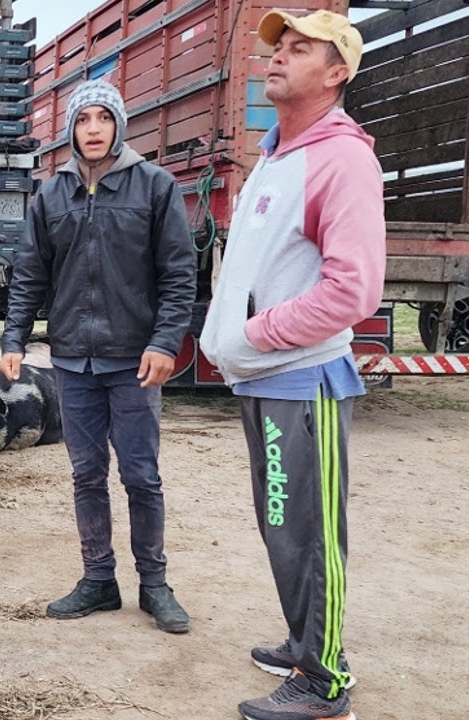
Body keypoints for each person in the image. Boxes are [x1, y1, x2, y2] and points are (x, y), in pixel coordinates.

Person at [199, 10, 382, 720]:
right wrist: (239, 342)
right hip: (265, 375)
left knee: (307, 534)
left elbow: (353, 289)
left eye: (300, 49)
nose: (277, 56)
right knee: (284, 526)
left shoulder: (343, 159)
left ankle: (323, 680)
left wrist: (254, 333)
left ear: (336, 73)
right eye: (278, 46)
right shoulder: (277, 156)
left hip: (300, 381)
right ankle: (307, 641)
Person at [0, 80, 196, 634]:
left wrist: (163, 343)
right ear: (70, 130)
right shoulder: (50, 196)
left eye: (102, 118)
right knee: (87, 475)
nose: (92, 128)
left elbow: (179, 275)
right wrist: (14, 339)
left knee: (141, 476)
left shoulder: (155, 187)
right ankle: (98, 580)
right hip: (73, 362)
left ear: (118, 126)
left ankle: (154, 585)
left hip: (134, 361)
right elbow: (30, 274)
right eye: (82, 119)